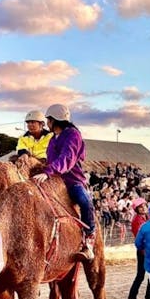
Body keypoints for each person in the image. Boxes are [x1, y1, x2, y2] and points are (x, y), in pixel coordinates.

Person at [32, 104, 97, 261]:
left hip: (72, 181)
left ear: (55, 120)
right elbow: (49, 160)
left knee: (85, 201)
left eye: (48, 120)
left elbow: (67, 159)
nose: (47, 123)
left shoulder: (73, 135)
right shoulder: (53, 139)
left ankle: (89, 239)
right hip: (54, 179)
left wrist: (48, 172)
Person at [127, 197, 150, 299]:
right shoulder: (138, 220)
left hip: (149, 250)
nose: (143, 208)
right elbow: (142, 237)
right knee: (140, 276)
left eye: (144, 206)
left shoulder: (146, 218)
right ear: (137, 209)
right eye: (140, 207)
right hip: (143, 251)